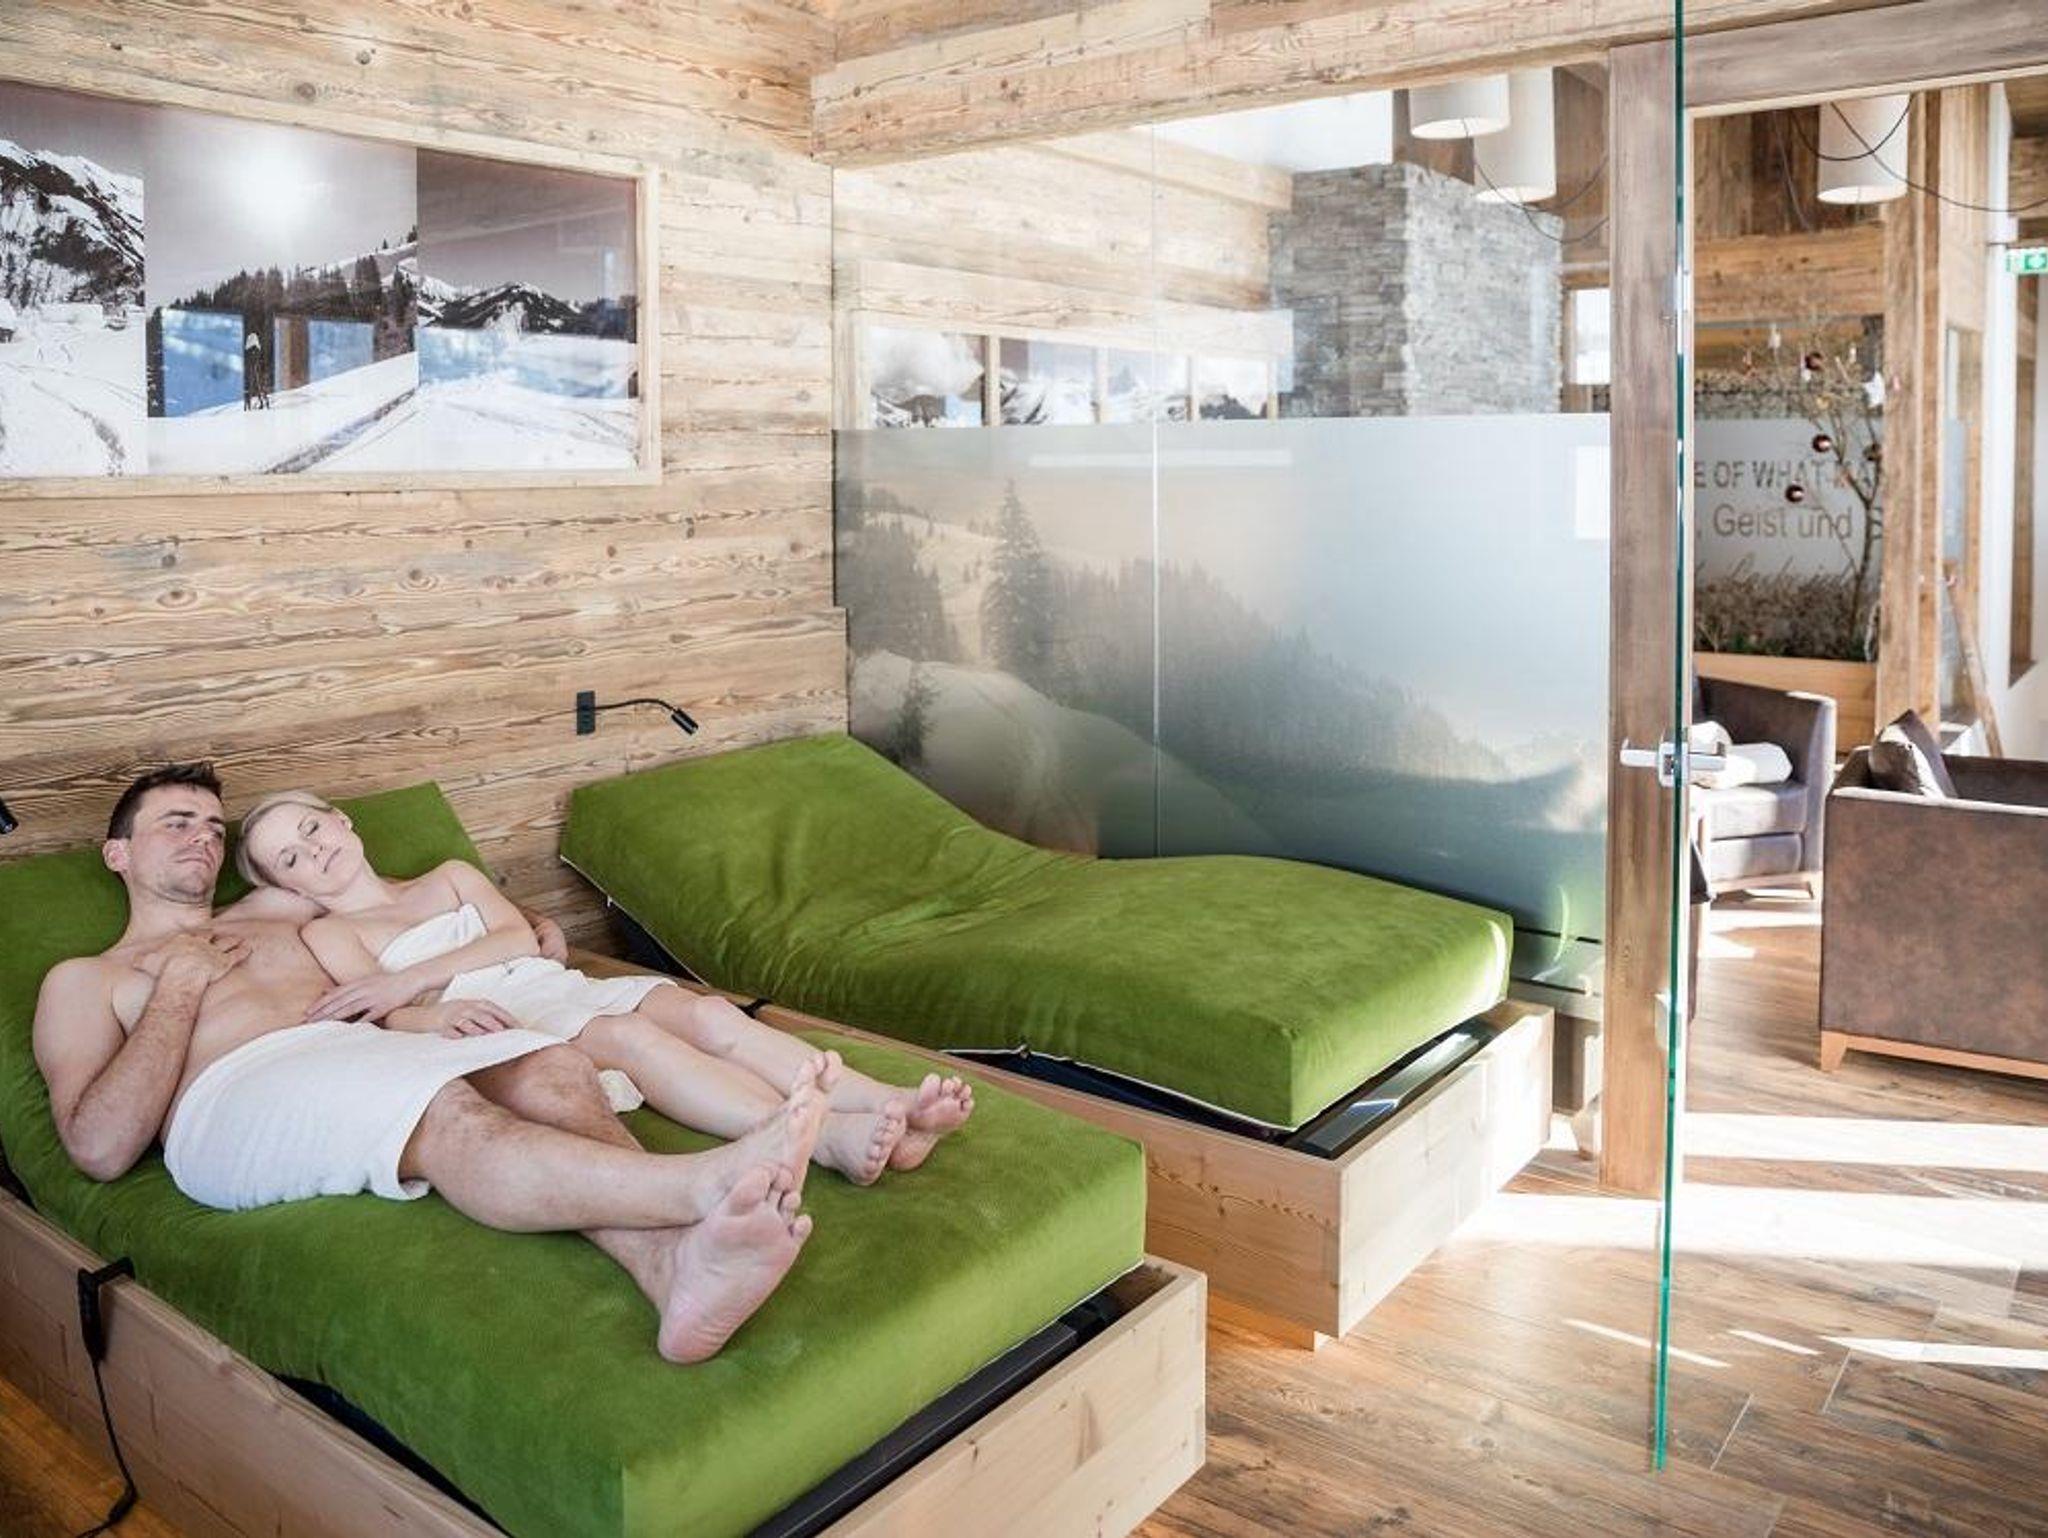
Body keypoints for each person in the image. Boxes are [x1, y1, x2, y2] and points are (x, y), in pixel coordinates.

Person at [31, 765, 824, 1363]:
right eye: (177, 823)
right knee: (449, 1113)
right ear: (117, 852)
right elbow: (98, 1147)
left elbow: (397, 900)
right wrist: (177, 988)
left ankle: (670, 1269)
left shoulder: (277, 907)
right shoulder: (87, 979)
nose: (203, 837)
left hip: (364, 1051)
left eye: (212, 825)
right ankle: (702, 1186)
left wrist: (528, 921)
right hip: (237, 1094)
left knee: (553, 1068)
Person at [235, 788, 974, 1185]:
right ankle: (823, 1140)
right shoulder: (331, 935)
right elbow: (384, 1016)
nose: (313, 853)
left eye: (311, 830)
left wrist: (410, 978)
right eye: (290, 859)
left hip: (546, 977)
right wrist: (430, 1009)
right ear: (285, 888)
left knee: (710, 1016)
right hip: (501, 1016)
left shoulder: (448, 877)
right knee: (632, 1038)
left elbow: (516, 937)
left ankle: (889, 1101)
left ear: (343, 821)